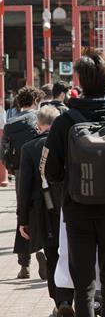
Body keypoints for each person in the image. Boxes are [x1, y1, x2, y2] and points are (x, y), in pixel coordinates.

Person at [41, 49, 105, 317]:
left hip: (77, 210)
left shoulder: (64, 123)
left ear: (80, 84)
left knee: (83, 282)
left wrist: (71, 184)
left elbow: (48, 169)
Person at [17, 105, 74, 316]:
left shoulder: (30, 148)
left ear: (38, 125)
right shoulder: (71, 143)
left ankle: (61, 302)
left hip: (45, 211)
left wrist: (22, 219)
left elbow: (24, 188)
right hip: (72, 207)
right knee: (75, 254)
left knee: (53, 257)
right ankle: (74, 297)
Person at [1, 86, 46, 280]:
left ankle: (24, 264)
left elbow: (3, 152)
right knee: (45, 209)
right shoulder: (41, 118)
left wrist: (12, 169)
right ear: (36, 100)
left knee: (23, 213)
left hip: (20, 172)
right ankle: (44, 250)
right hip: (43, 169)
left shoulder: (11, 123)